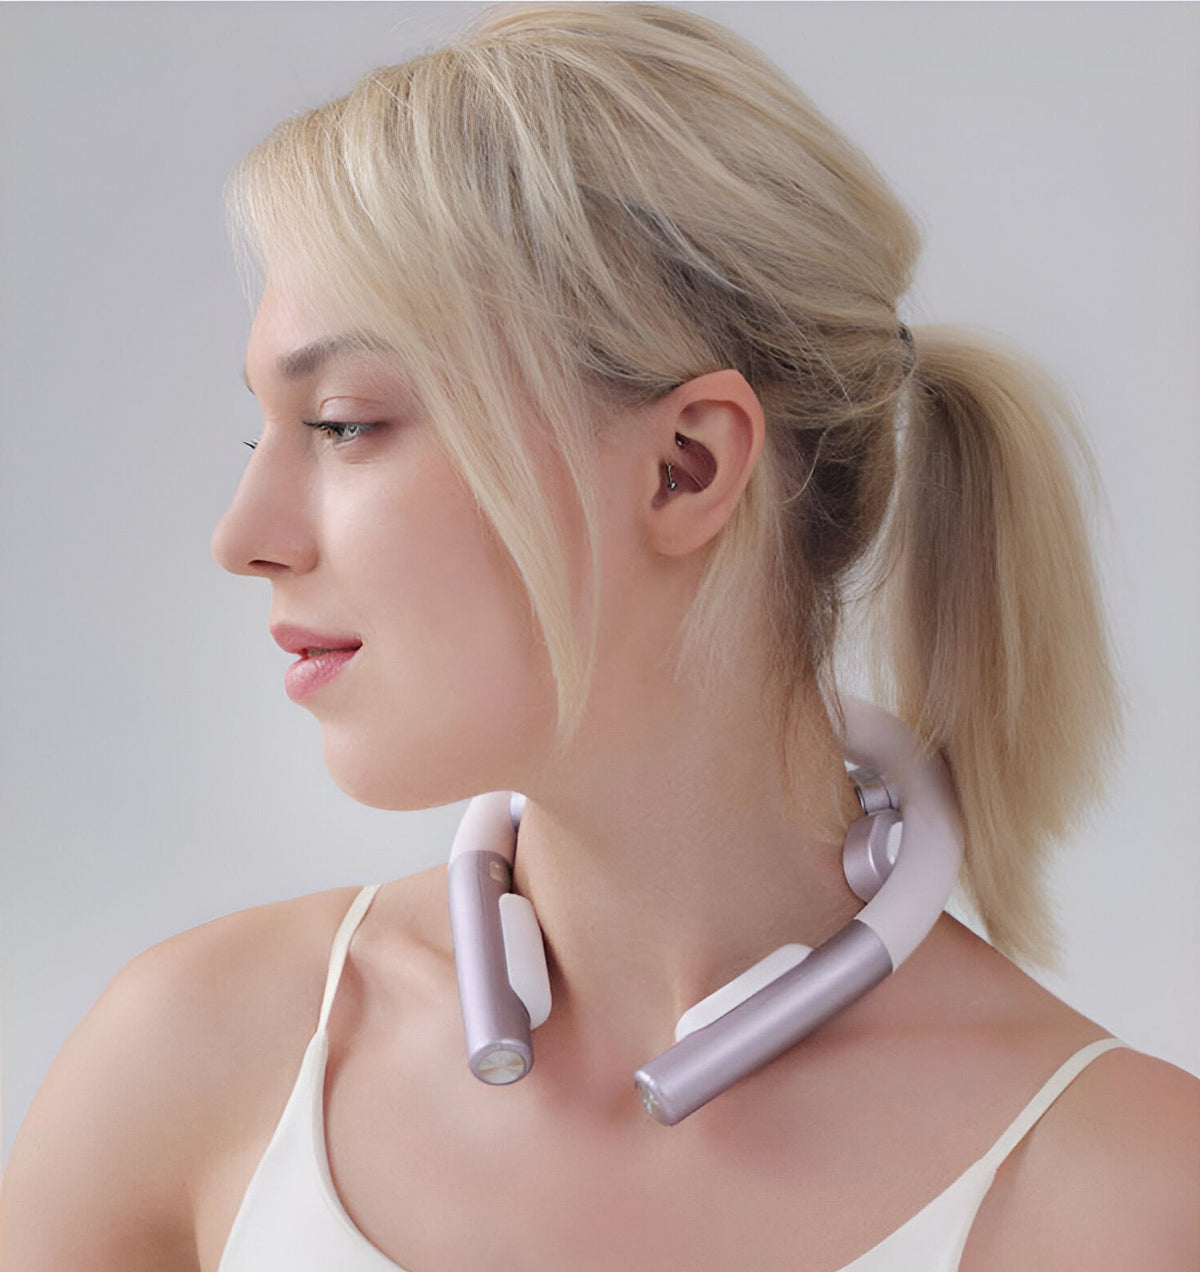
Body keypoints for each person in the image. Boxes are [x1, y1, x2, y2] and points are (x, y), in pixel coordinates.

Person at [2, 3, 1197, 1269]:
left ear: (684, 467)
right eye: (266, 433)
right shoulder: (189, 1064)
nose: (242, 535)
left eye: (345, 424)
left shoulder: (1131, 1201)